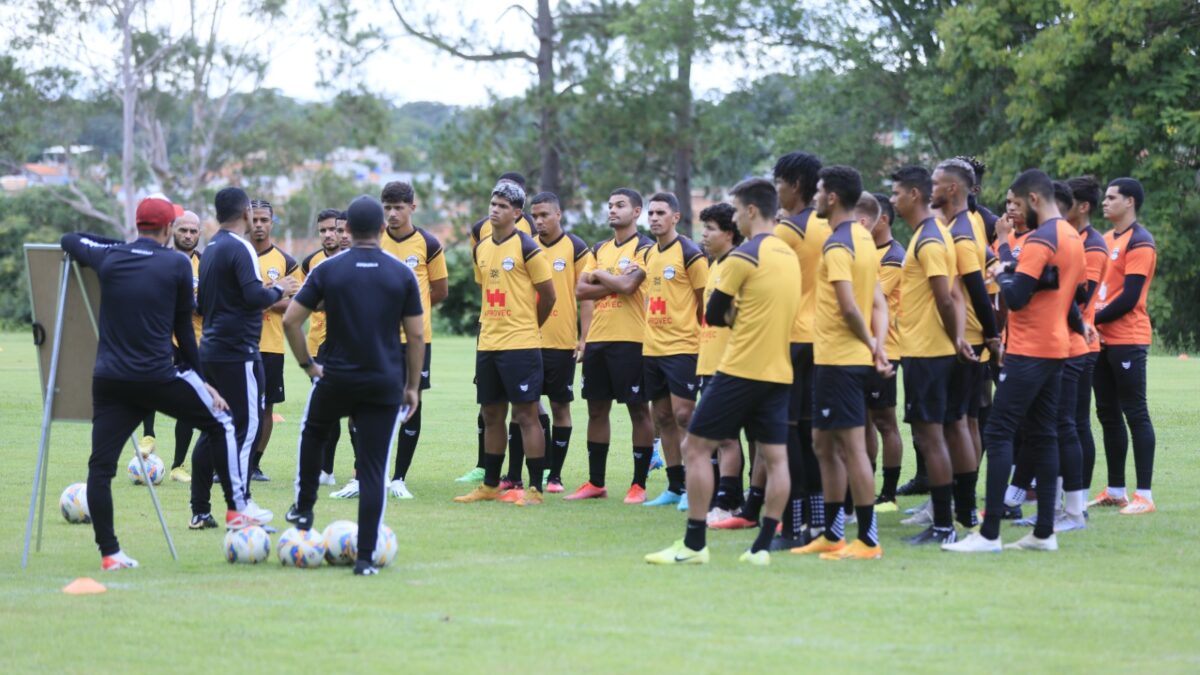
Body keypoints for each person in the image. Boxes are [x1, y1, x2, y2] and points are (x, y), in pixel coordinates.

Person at [61, 197, 236, 569]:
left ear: (137, 225)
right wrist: (204, 383)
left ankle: (110, 554)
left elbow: (71, 238)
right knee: (221, 422)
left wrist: (118, 244)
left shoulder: (110, 257)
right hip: (157, 377)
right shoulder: (175, 262)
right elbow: (184, 333)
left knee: (100, 468)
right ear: (168, 229)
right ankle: (237, 512)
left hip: (110, 380)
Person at [645, 177, 799, 566]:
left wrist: (736, 313)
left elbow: (712, 314)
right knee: (776, 458)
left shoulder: (743, 257)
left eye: (735, 210)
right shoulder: (788, 253)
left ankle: (694, 545)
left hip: (738, 367)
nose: (733, 218)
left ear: (750, 211)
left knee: (696, 447)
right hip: (779, 370)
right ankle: (762, 547)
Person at [945, 168, 1088, 553]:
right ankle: (1044, 532)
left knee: (998, 431)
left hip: (1029, 350)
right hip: (1056, 348)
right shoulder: (1072, 237)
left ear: (1035, 200)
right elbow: (1069, 292)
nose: (1013, 213)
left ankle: (989, 533)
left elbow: (1018, 295)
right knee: (1043, 434)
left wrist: (1005, 253)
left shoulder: (1042, 239)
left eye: (1018, 204)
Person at [282, 195, 424, 576]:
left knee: (313, 433)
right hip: (384, 382)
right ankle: (364, 561)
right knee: (374, 468)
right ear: (381, 229)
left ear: (346, 230)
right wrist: (411, 386)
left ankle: (304, 507)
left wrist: (308, 365)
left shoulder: (327, 271)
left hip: (336, 377)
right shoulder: (401, 273)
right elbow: (416, 335)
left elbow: (290, 322)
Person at [790, 166, 891, 560]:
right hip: (837, 359)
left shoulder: (838, 245)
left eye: (817, 191)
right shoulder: (863, 239)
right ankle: (833, 533)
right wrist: (877, 346)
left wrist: (870, 345)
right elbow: (879, 304)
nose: (814, 197)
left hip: (840, 361)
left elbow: (851, 307)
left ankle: (867, 539)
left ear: (832, 197)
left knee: (850, 448)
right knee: (822, 443)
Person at [190, 186, 298, 530]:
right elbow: (254, 297)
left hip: (212, 349)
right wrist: (281, 288)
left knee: (214, 428)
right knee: (246, 427)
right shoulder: (241, 247)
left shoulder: (210, 249)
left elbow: (203, 306)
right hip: (239, 352)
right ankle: (240, 507)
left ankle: (200, 509)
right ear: (247, 215)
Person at [888, 165, 976, 545]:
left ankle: (943, 524)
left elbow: (946, 296)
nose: (891, 200)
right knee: (954, 428)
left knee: (931, 436)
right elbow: (954, 294)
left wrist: (955, 338)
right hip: (938, 350)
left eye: (895, 193)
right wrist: (957, 338)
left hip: (928, 352)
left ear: (913, 195)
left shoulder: (928, 239)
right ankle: (966, 511)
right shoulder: (935, 232)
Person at [454, 181, 556, 505]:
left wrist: (528, 328)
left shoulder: (528, 248)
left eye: (502, 206)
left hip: (521, 345)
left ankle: (536, 489)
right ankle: (490, 484)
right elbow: (487, 292)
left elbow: (549, 296)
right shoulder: (480, 248)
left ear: (516, 213)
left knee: (526, 415)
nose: (494, 209)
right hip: (488, 344)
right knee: (490, 414)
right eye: (492, 203)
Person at [567, 188, 656, 503]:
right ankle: (596, 482)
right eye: (610, 205)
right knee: (595, 409)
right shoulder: (600, 248)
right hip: (598, 341)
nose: (612, 210)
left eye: (620, 205)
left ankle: (639, 484)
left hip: (631, 340)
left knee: (638, 410)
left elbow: (630, 287)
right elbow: (579, 290)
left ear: (636, 212)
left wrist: (601, 276)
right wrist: (614, 282)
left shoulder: (645, 248)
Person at [932, 158, 998, 528]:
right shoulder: (969, 223)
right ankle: (966, 503)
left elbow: (975, 283)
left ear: (953, 188)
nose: (930, 187)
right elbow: (990, 263)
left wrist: (991, 334)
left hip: (966, 338)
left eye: (936, 181)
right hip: (973, 336)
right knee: (968, 422)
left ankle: (963, 504)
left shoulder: (959, 230)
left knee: (957, 424)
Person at [769, 151, 831, 547]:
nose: (776, 190)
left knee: (787, 436)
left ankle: (791, 527)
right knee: (815, 435)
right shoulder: (833, 228)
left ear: (794, 185)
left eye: (778, 182)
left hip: (791, 340)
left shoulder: (787, 233)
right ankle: (820, 521)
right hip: (823, 341)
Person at [1089, 177, 1158, 515]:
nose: (1105, 202)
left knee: (1135, 412)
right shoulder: (1104, 240)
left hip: (1128, 338)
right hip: (1100, 340)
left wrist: (1090, 319)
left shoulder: (1140, 242)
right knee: (1107, 415)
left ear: (1129, 202)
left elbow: (1130, 298)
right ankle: (1116, 489)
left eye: (1112, 197)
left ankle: (1144, 495)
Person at [378, 180, 449, 499]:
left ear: (412, 208)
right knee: (374, 403)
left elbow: (440, 290)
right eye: (388, 208)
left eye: (398, 208)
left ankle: (399, 478)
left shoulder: (429, 244)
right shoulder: (375, 240)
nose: (392, 214)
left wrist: (411, 314)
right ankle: (370, 474)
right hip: (379, 338)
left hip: (418, 339)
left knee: (411, 404)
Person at [640, 192, 709, 508]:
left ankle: (697, 484)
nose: (654, 218)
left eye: (660, 213)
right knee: (663, 416)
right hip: (652, 348)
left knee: (685, 415)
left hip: (683, 348)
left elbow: (704, 303)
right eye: (651, 213)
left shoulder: (691, 253)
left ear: (676, 217)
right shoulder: (649, 254)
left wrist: (700, 341)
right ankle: (674, 486)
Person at [529, 191, 593, 492]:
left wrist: (583, 338)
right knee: (527, 406)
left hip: (561, 341)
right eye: (535, 215)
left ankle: (554, 475)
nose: (539, 221)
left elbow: (587, 297)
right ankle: (536, 468)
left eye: (544, 215)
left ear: (559, 214)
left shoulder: (576, 247)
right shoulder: (526, 245)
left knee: (560, 407)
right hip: (527, 339)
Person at [694, 203, 747, 524]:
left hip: (731, 363)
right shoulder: (715, 265)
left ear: (729, 233)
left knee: (727, 437)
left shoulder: (736, 266)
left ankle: (729, 502)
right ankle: (725, 497)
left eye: (710, 229)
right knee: (715, 436)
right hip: (708, 362)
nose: (704, 235)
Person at [248, 199, 302, 483]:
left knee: (266, 407)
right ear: (246, 220)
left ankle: (254, 464)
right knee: (235, 406)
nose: (258, 225)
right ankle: (231, 461)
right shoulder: (238, 254)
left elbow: (296, 305)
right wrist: (271, 294)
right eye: (254, 220)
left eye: (264, 220)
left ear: (272, 223)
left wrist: (261, 299)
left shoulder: (286, 262)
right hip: (240, 345)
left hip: (270, 347)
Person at [856, 194, 905, 510]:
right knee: (861, 422)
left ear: (881, 220)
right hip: (859, 349)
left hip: (884, 348)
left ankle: (888, 492)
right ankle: (866, 485)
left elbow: (868, 298)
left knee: (884, 420)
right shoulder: (866, 253)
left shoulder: (892, 257)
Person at [1064, 176, 1109, 504]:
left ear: (1082, 207)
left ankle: (1078, 500)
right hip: (1061, 342)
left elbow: (1082, 299)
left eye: (1066, 201)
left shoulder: (1092, 245)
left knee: (1077, 422)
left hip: (1082, 345)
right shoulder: (1070, 236)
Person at [301, 209, 347, 488]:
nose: (329, 235)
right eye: (324, 230)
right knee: (327, 409)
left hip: (348, 344)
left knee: (354, 410)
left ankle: (359, 471)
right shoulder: (311, 263)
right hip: (318, 346)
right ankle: (326, 470)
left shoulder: (354, 259)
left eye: (334, 229)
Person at [168, 209, 203, 483]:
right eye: (183, 230)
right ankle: (148, 439)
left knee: (190, 400)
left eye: (193, 231)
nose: (188, 235)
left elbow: (211, 304)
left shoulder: (206, 265)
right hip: (162, 339)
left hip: (195, 342)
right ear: (172, 230)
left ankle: (178, 465)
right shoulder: (161, 260)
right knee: (144, 388)